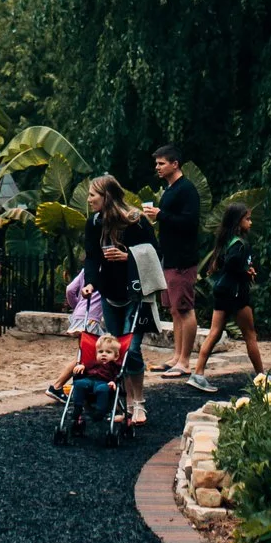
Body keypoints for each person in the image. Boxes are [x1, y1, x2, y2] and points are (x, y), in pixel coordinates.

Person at [81, 175, 149, 425]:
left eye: (93, 195)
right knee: (116, 351)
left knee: (132, 349)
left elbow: (154, 252)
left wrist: (127, 256)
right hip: (109, 292)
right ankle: (126, 403)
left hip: (135, 292)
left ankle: (139, 402)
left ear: (107, 196)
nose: (89, 199)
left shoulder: (135, 220)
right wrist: (90, 282)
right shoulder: (94, 223)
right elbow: (91, 257)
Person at [186, 200, 263, 390]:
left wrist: (244, 269)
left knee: (215, 332)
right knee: (250, 335)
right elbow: (232, 265)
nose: (250, 222)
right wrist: (246, 272)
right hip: (235, 293)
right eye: (247, 219)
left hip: (222, 290)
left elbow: (224, 264)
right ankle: (261, 377)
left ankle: (198, 373)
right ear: (238, 221)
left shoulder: (225, 242)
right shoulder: (239, 245)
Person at [144, 145, 203, 376]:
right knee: (175, 310)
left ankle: (185, 362)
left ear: (175, 164)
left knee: (185, 309)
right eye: (156, 164)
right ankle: (177, 356)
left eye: (161, 163)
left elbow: (190, 222)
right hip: (169, 257)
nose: (157, 167)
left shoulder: (186, 189)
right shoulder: (170, 189)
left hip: (182, 259)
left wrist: (161, 215)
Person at [63, 340, 121, 434]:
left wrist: (113, 382)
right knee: (79, 383)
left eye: (108, 352)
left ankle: (100, 412)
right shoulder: (93, 363)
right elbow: (86, 368)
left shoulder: (114, 366)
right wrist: (82, 366)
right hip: (89, 380)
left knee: (102, 389)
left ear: (116, 356)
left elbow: (118, 376)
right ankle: (78, 407)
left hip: (105, 382)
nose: (103, 354)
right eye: (100, 352)